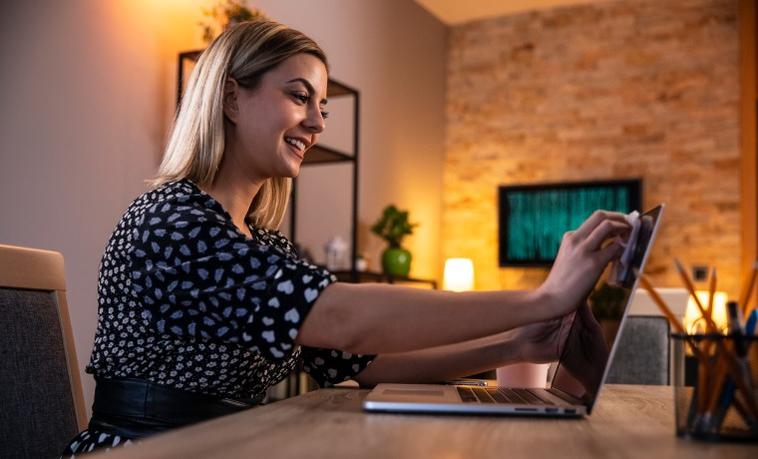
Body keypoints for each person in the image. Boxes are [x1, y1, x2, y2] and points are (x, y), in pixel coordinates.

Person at [61, 19, 629, 456]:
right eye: (300, 96)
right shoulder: (172, 223)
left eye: (323, 106)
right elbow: (344, 316)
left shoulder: (261, 244)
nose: (317, 122)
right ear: (232, 98)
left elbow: (364, 358)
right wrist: (545, 298)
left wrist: (512, 347)